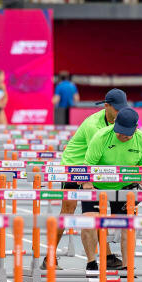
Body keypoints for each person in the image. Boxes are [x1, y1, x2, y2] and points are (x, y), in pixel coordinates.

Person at [44, 88, 128, 271]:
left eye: (123, 108)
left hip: (93, 168)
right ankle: (49, 255)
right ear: (106, 106)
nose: (120, 112)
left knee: (96, 211)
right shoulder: (93, 126)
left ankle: (107, 256)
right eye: (117, 109)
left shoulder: (118, 122)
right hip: (74, 166)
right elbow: (93, 157)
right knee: (68, 210)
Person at [80, 107, 142, 271]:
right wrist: (87, 184)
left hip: (124, 186)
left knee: (127, 225)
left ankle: (127, 267)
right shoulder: (101, 137)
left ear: (135, 128)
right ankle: (91, 263)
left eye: (127, 133)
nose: (122, 136)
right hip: (97, 185)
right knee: (89, 221)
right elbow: (87, 166)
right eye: (120, 131)